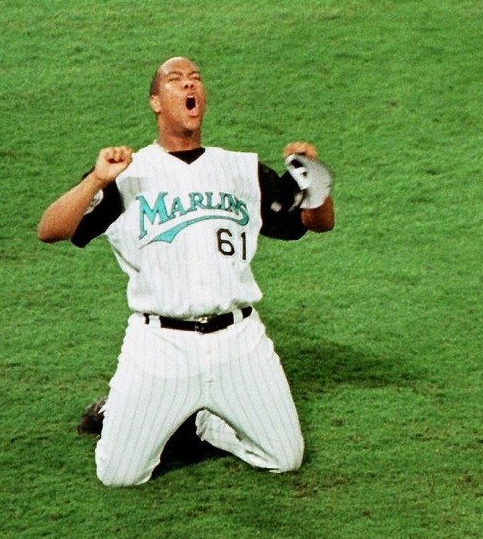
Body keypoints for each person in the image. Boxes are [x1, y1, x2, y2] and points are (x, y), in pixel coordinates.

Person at [37, 57, 334, 486]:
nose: (189, 85)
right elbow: (50, 229)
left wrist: (315, 180)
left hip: (239, 342)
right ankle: (122, 408)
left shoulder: (242, 170)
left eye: (195, 79)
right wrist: (97, 181)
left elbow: (315, 223)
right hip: (159, 344)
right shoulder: (128, 174)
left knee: (285, 456)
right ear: (156, 102)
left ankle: (204, 424)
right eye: (175, 81)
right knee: (119, 475)